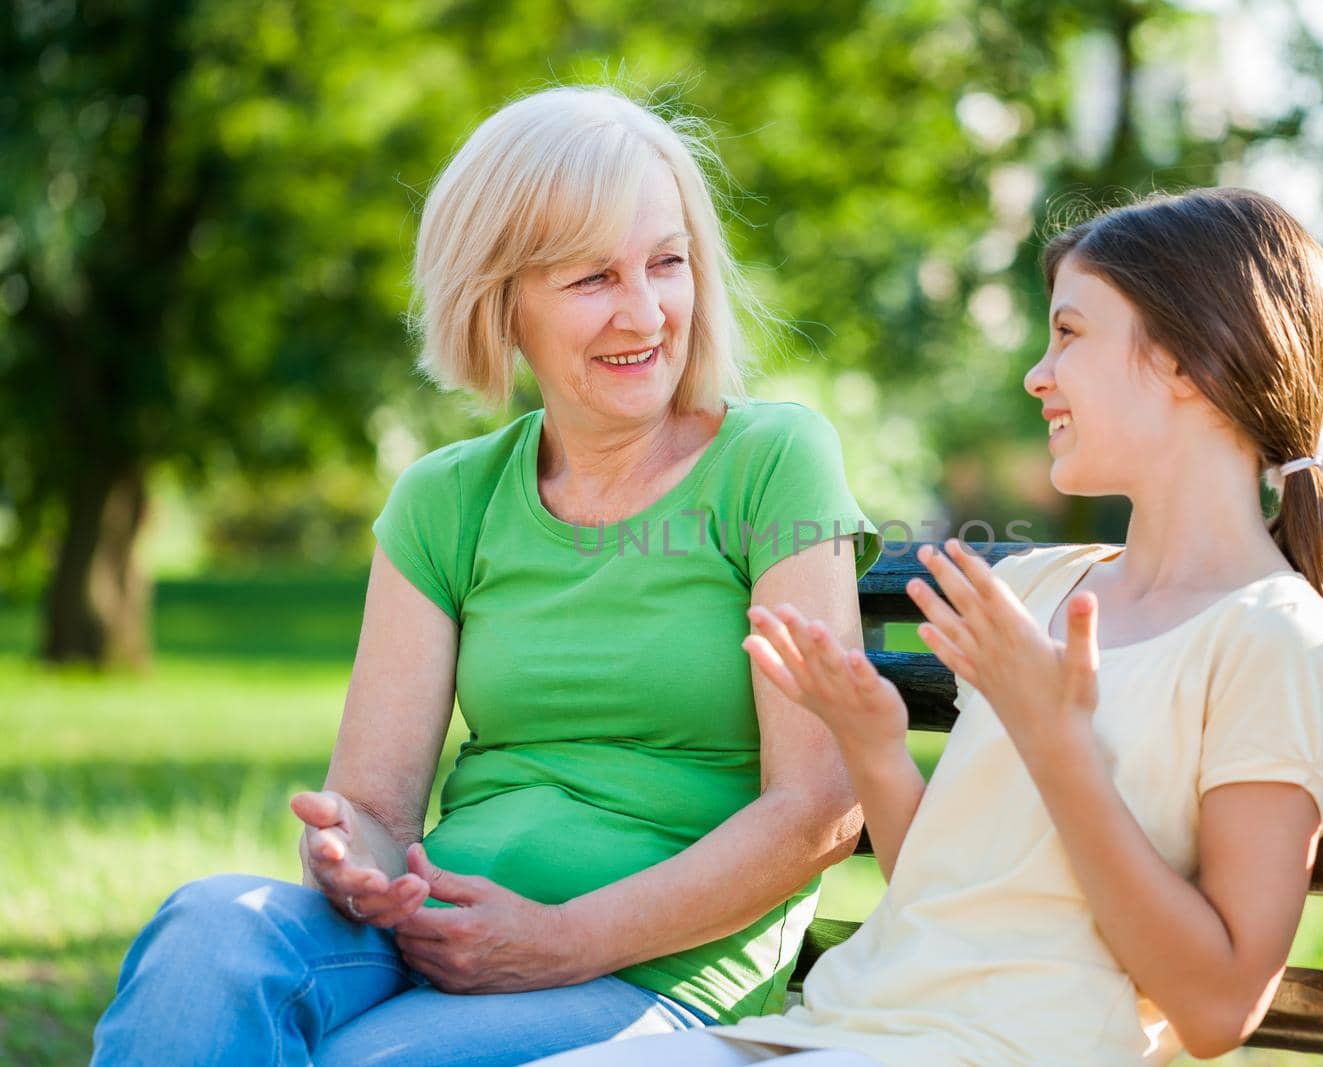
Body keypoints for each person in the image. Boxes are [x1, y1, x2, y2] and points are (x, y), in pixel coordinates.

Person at [92, 86, 882, 1066]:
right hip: (430, 939)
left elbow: (819, 805)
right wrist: (353, 864)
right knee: (210, 925)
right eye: (593, 276)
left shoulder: (773, 460)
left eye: (667, 262)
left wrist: (559, 940)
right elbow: (375, 812)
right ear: (500, 300)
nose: (645, 311)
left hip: (650, 981)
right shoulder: (446, 499)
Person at [540, 187, 1323, 1067]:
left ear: (1182, 360)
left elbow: (1214, 1009)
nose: (1037, 372)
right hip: (835, 1032)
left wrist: (1059, 743)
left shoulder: (1276, 642)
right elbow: (955, 898)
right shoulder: (1037, 587)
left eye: (1072, 333)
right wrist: (875, 747)